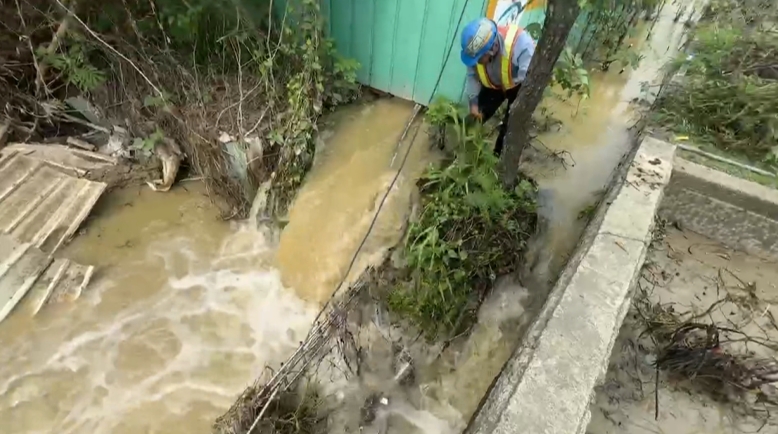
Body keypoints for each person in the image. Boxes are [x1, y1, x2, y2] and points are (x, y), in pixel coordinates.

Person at [460, 17, 535, 156]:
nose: (476, 62)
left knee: (509, 127)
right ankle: (464, 151)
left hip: (518, 85)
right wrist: (474, 105)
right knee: (474, 120)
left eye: (478, 59)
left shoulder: (521, 45)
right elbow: (472, 76)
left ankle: (497, 157)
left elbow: (530, 80)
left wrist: (518, 105)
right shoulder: (475, 52)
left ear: (492, 49)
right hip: (493, 85)